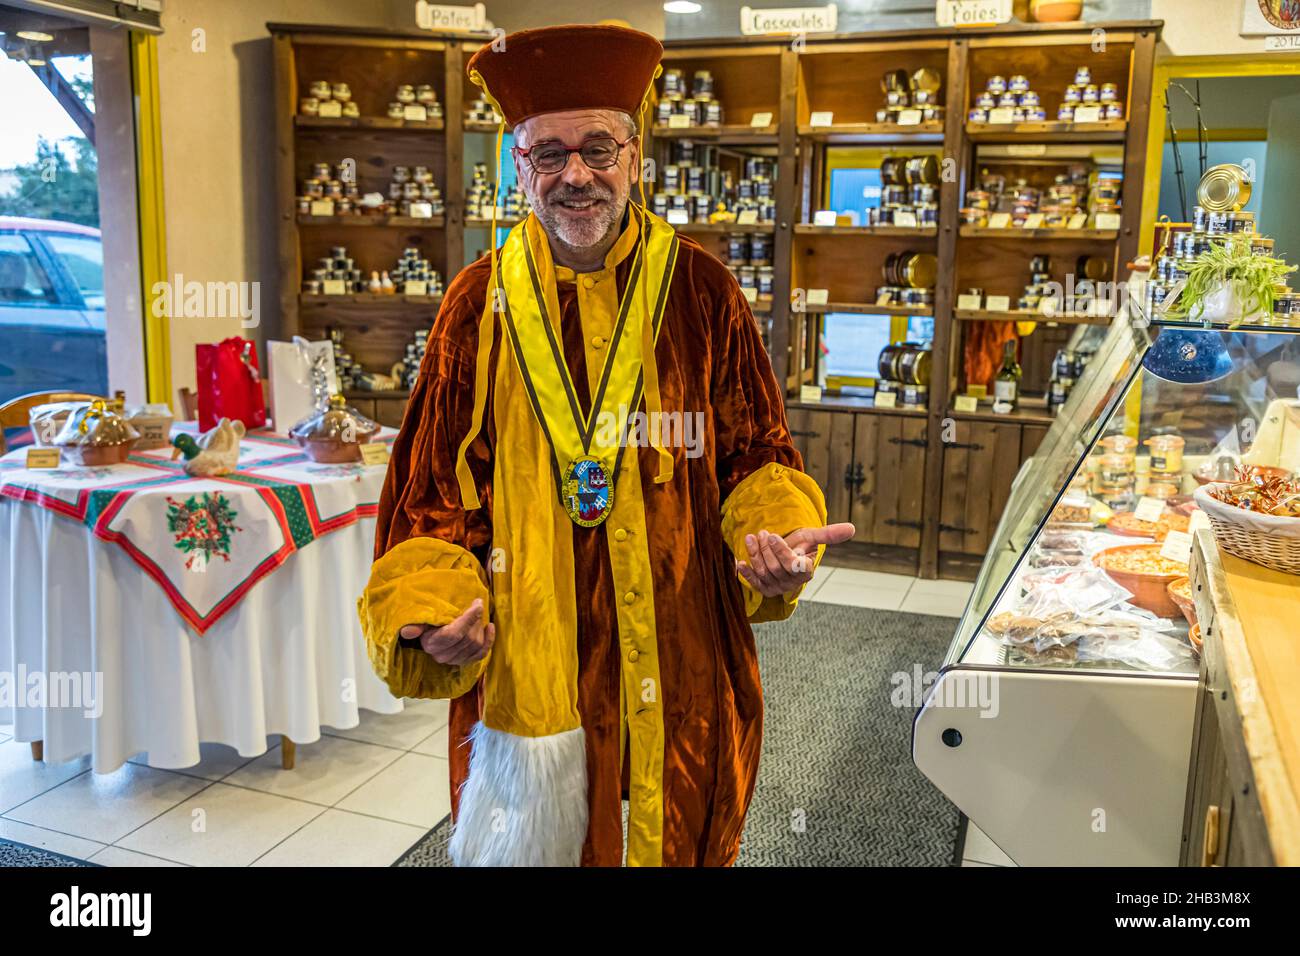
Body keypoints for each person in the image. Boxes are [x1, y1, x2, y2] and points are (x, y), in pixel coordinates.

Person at [358, 23, 853, 867]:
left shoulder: (701, 287)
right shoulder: (477, 303)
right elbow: (430, 493)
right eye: (548, 155)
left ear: (635, 156)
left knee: (682, 826)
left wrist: (771, 532)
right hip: (529, 644)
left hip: (682, 627)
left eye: (597, 148)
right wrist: (430, 606)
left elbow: (755, 451)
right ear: (518, 168)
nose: (575, 174)